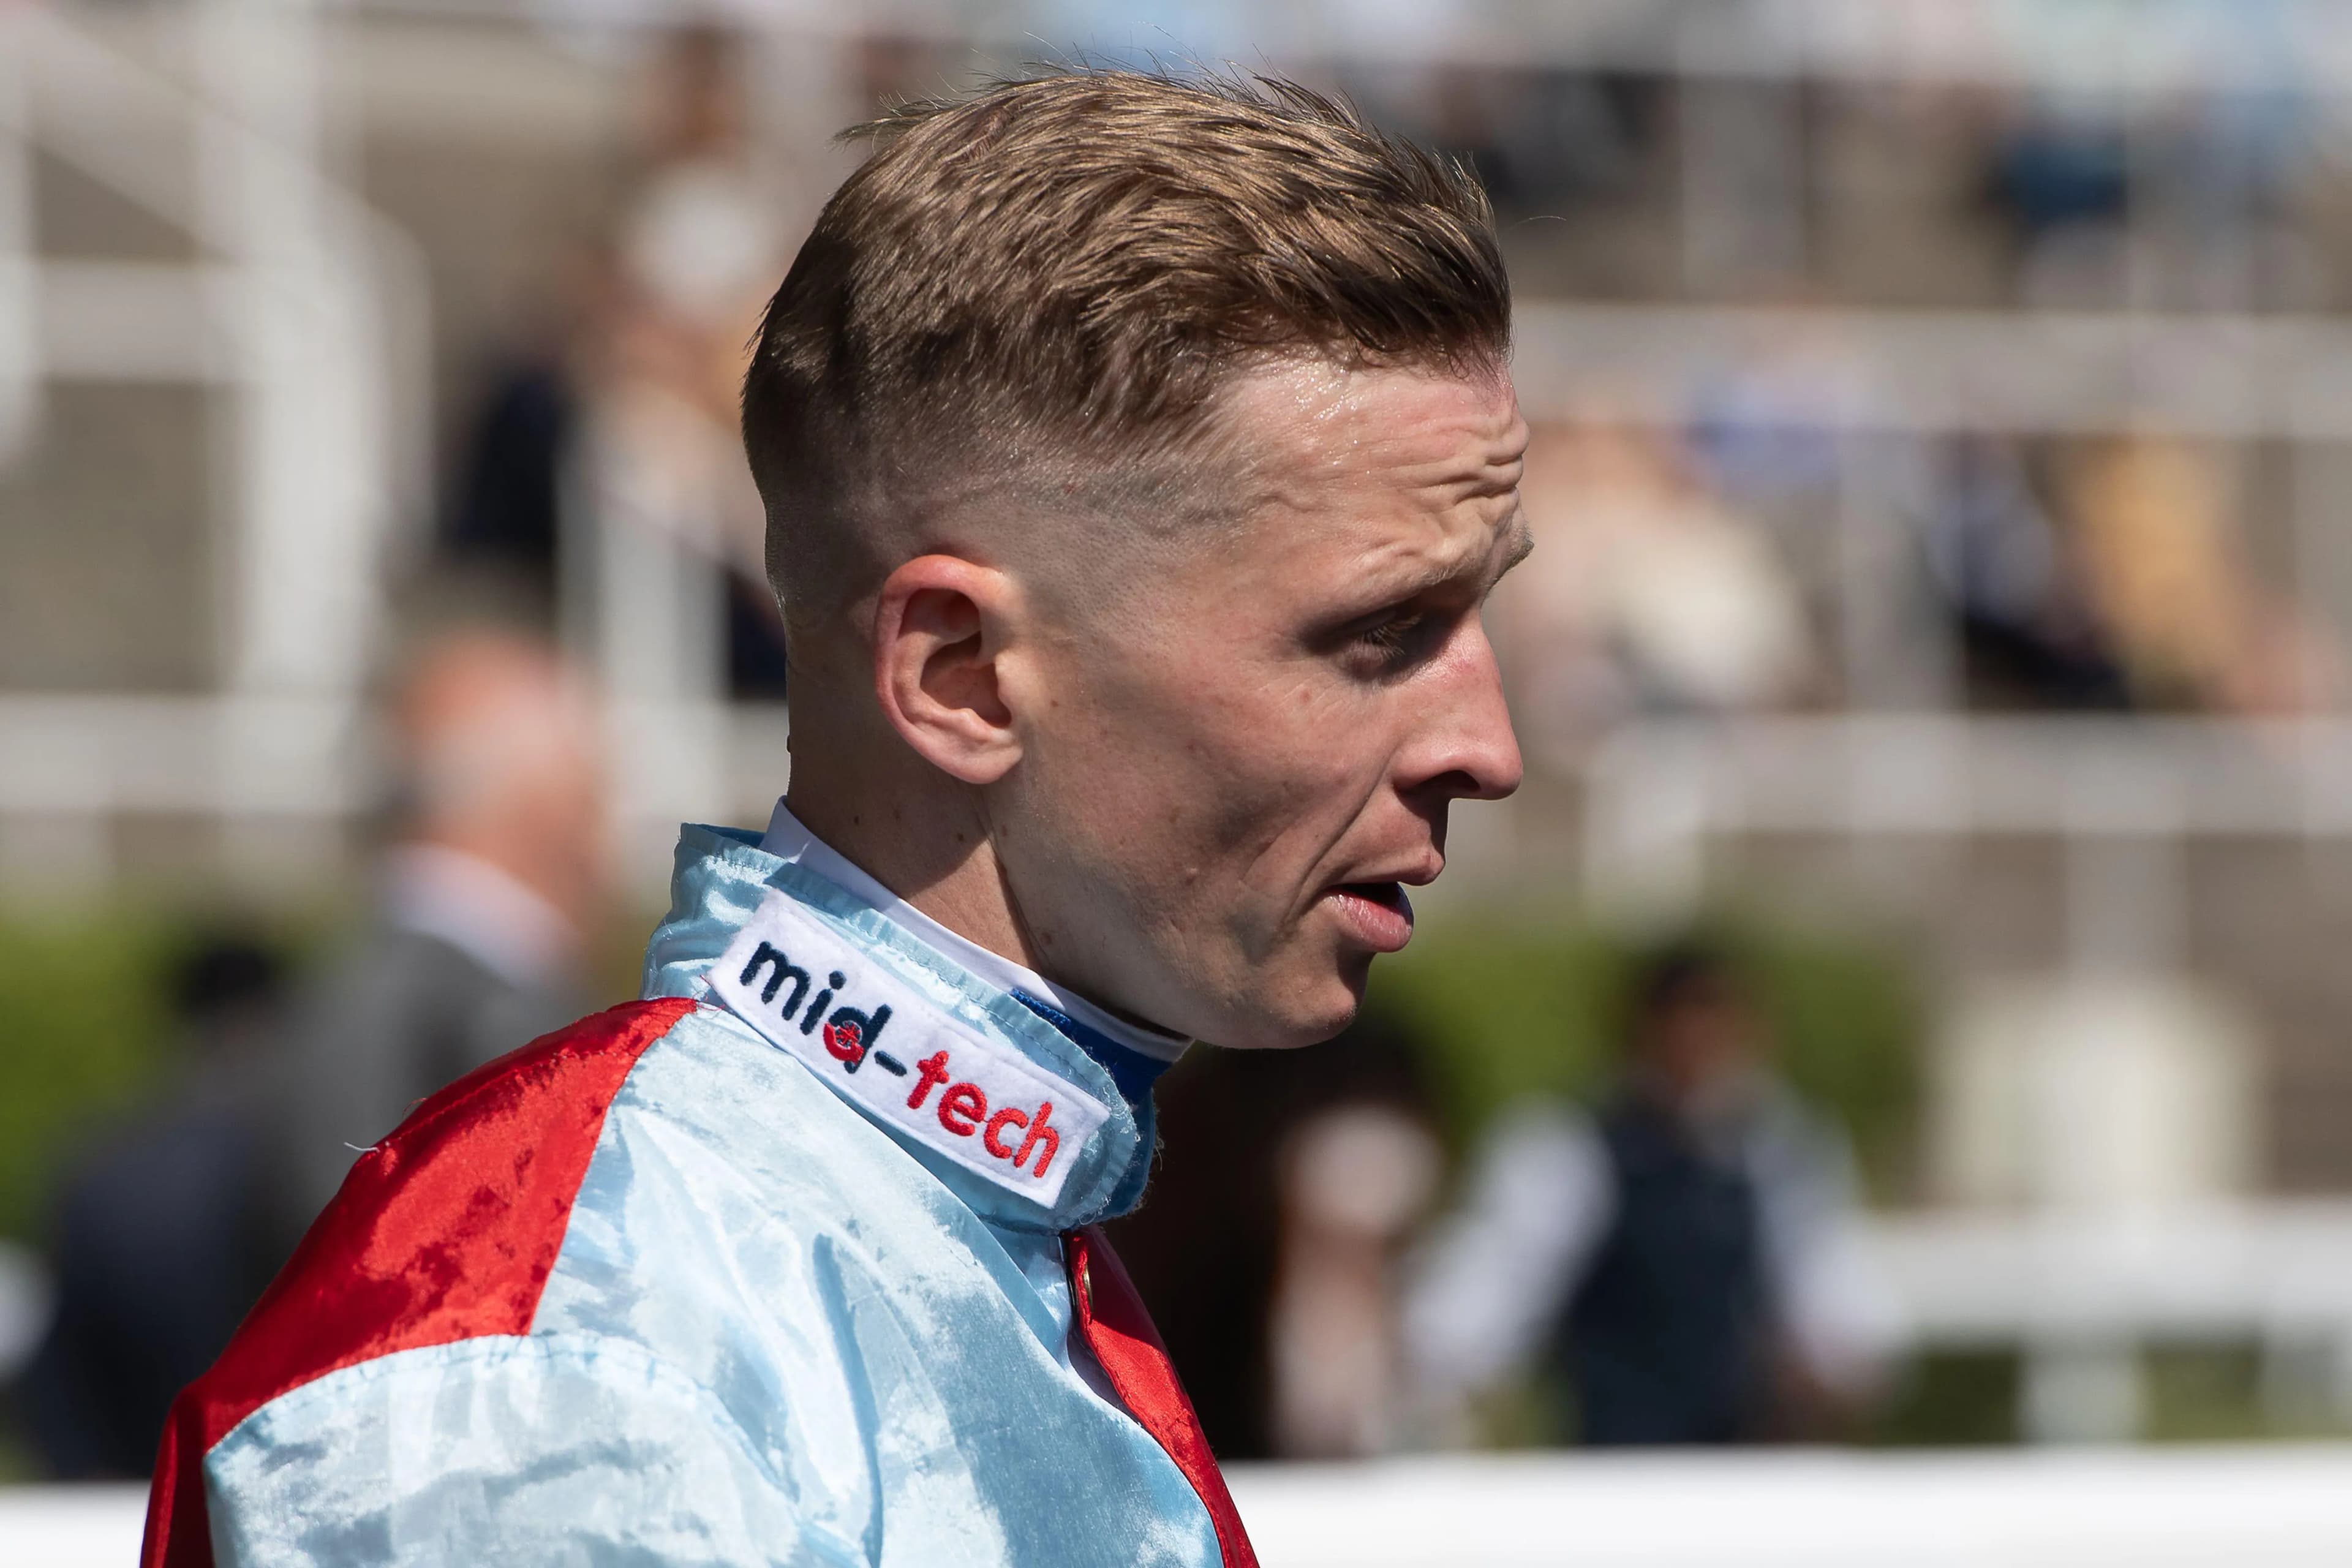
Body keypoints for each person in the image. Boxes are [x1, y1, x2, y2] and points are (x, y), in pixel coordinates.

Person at [144, 70, 1526, 1568]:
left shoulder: (972, 1235)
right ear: (959, 673)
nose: (1489, 745)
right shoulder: (588, 1347)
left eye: (1478, 613)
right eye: (1380, 631)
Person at [1403, 942, 1894, 1446]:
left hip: (1749, 1471)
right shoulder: (1569, 1154)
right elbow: (1477, 1309)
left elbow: (1841, 1319)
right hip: (1616, 1472)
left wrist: (1824, 1372)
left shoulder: (1783, 1155)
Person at [252, 629, 608, 1260]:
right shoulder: (453, 1015)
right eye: (591, 783)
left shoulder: (370, 988)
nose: (608, 824)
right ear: (539, 804)